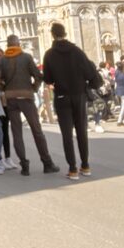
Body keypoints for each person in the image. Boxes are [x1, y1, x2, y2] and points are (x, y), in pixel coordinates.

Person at [42, 23, 101, 180]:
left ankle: (73, 169)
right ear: (65, 33)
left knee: (67, 134)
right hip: (79, 95)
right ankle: (86, 165)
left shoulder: (49, 54)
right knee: (81, 130)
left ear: (52, 35)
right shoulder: (77, 51)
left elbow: (47, 78)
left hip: (62, 96)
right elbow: (90, 72)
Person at [0, 35, 58, 175]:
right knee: (37, 131)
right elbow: (38, 76)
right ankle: (47, 163)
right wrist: (33, 88)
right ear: (18, 44)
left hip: (11, 99)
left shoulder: (3, 60)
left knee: (17, 133)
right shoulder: (26, 57)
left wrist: (5, 89)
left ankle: (24, 165)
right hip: (26, 97)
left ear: (7, 45)